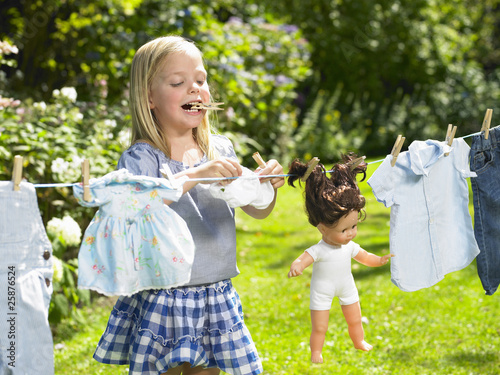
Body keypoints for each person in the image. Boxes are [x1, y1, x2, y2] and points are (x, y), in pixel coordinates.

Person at [93, 35, 285, 375]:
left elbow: (257, 209)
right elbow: (140, 204)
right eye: (178, 82)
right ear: (149, 97)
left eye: (200, 79)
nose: (195, 89)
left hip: (215, 290)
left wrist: (263, 188)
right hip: (164, 293)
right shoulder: (142, 156)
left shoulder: (220, 149)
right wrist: (198, 173)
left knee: (208, 372)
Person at [287, 154, 393, 364]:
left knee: (355, 319)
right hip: (322, 290)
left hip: (346, 286)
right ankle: (316, 352)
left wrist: (379, 260)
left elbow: (365, 257)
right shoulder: (319, 249)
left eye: (354, 226)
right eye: (344, 229)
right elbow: (303, 259)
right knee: (320, 326)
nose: (351, 233)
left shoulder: (350, 246)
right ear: (322, 228)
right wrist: (296, 266)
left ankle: (359, 340)